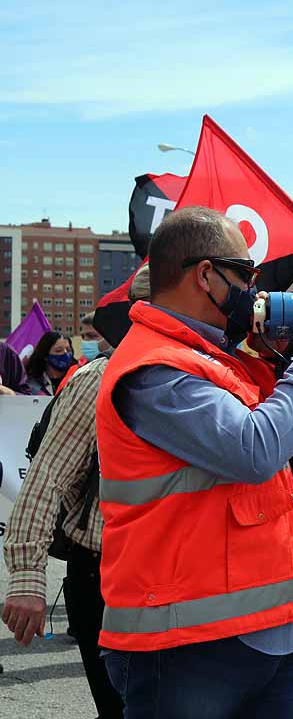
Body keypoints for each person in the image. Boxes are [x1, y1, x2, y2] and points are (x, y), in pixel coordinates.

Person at [95, 206, 293, 719]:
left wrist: (283, 362)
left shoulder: (222, 361)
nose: (256, 288)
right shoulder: (154, 368)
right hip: (185, 648)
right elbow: (253, 449)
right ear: (206, 275)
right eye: (246, 274)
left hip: (279, 638)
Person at [1, 266, 152, 718]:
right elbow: (46, 478)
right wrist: (27, 580)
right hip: (104, 578)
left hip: (181, 585)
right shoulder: (99, 379)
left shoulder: (219, 374)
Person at [24, 331, 74, 396]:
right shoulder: (32, 385)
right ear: (45, 355)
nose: (65, 353)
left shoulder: (77, 377)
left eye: (68, 350)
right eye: (59, 350)